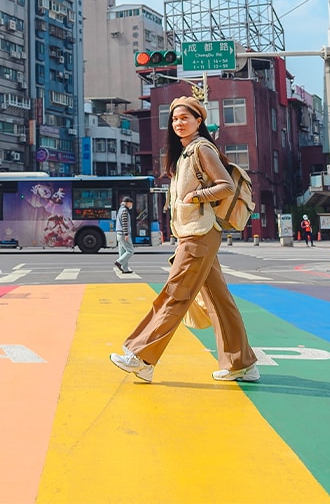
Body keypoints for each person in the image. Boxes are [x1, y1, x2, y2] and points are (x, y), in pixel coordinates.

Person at [109, 96, 259, 384]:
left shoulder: (202, 148)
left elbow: (225, 186)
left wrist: (196, 196)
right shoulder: (185, 153)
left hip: (199, 234)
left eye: (185, 118)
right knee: (218, 301)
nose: (179, 123)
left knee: (175, 295)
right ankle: (241, 363)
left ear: (198, 121)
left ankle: (142, 358)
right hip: (194, 233)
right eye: (175, 119)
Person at [113, 196, 135, 274]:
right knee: (130, 250)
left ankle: (125, 268)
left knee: (122, 252)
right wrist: (126, 234)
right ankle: (119, 262)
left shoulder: (120, 210)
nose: (131, 205)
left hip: (119, 234)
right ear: (127, 203)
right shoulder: (125, 211)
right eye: (130, 203)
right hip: (123, 234)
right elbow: (124, 223)